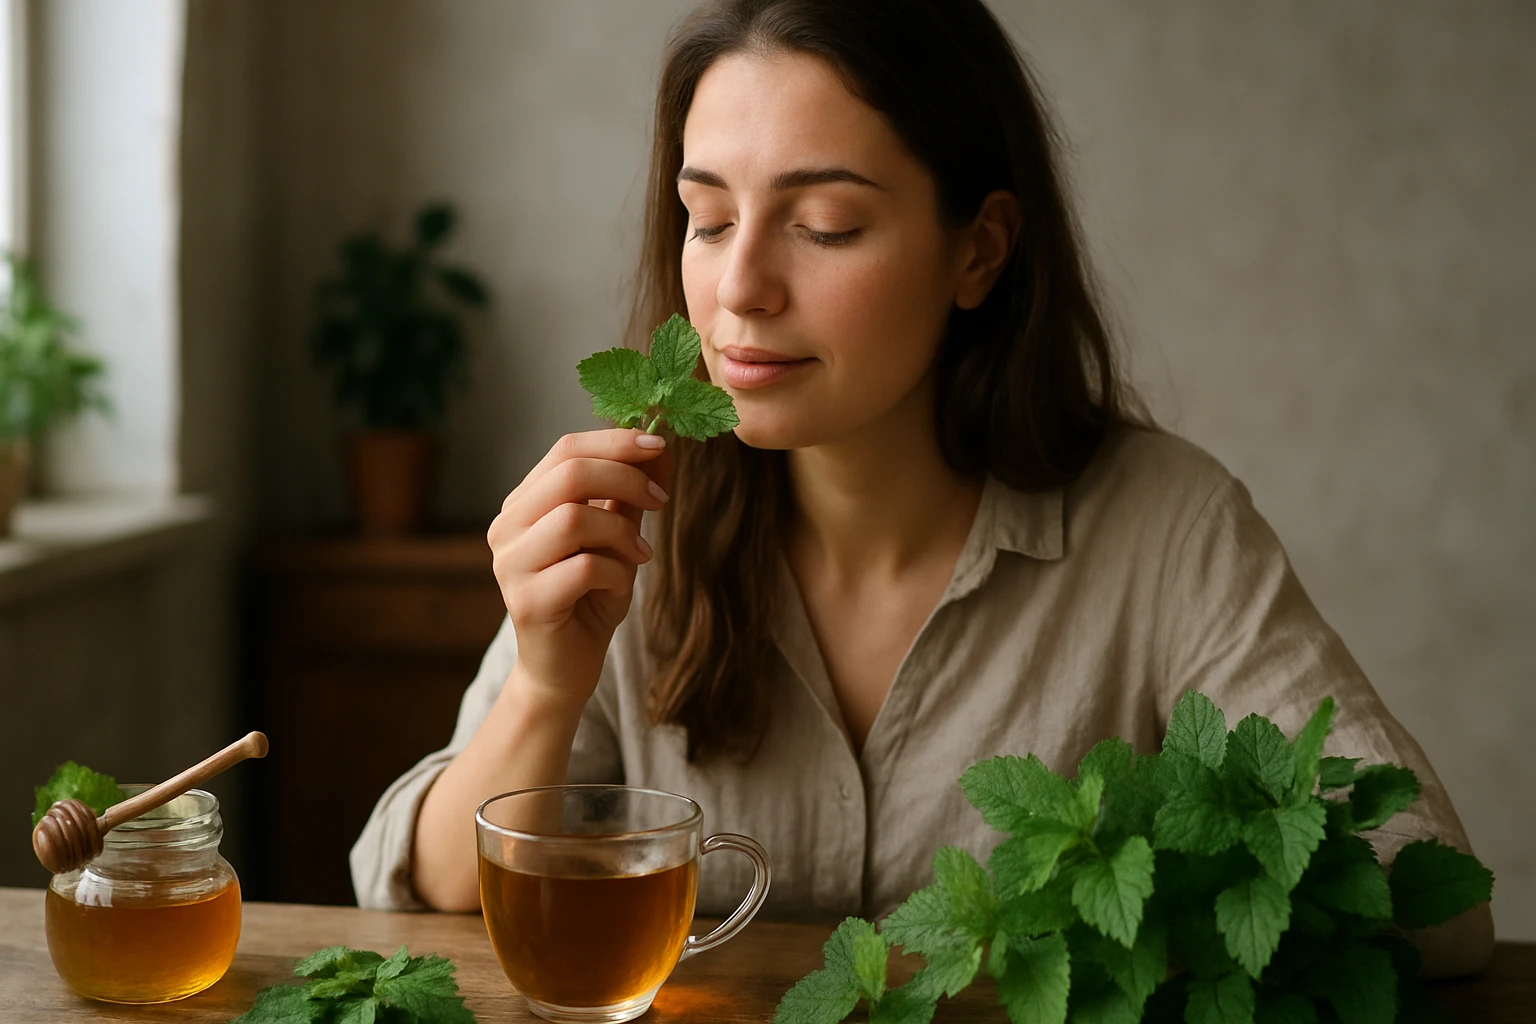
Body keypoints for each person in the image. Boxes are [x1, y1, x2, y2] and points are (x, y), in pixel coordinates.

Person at [351, 0, 1493, 977]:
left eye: (824, 225)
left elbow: (1436, 905)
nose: (740, 286)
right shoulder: (634, 521)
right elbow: (423, 891)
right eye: (707, 218)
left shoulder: (1166, 527)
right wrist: (548, 682)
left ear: (980, 252)